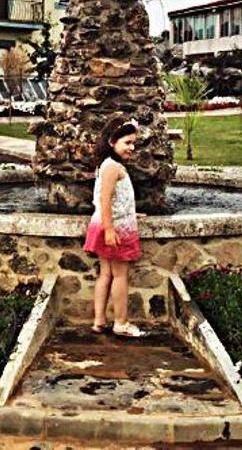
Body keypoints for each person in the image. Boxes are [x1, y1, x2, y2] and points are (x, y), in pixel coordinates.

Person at [83, 118, 146, 338]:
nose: (132, 147)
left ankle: (99, 320)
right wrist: (110, 230)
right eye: (127, 142)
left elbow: (114, 199)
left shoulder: (109, 165)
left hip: (110, 222)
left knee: (106, 273)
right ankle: (121, 322)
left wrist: (130, 211)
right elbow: (105, 199)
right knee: (120, 275)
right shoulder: (113, 167)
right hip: (115, 228)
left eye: (133, 143)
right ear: (112, 141)